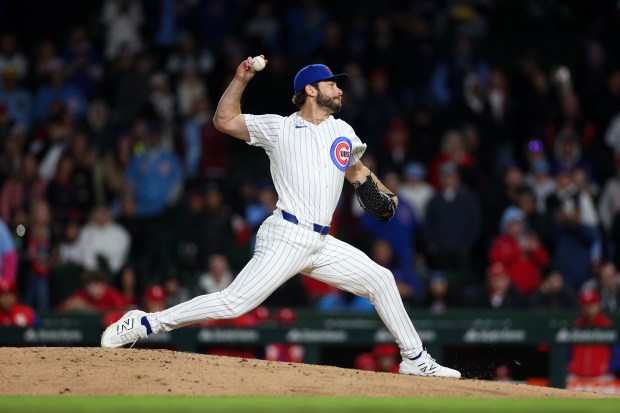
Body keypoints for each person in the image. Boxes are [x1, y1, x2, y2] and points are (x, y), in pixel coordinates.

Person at [101, 58, 461, 378]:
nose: (339, 89)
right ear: (310, 89)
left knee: (381, 279)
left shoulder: (343, 131)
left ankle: (415, 358)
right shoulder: (280, 128)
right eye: (333, 83)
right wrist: (241, 79)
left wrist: (384, 193)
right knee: (234, 302)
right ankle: (144, 322)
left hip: (321, 243)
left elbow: (358, 172)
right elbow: (224, 120)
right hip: (287, 234)